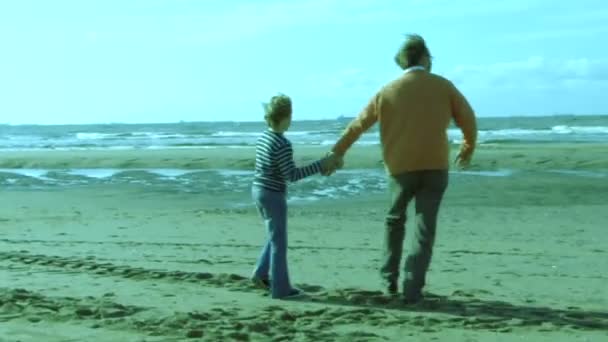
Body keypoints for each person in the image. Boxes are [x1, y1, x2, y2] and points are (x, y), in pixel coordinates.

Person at [327, 34, 477, 304]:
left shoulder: (387, 91)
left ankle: (389, 282)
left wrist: (337, 152)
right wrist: (467, 148)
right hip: (435, 167)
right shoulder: (443, 86)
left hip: (399, 168)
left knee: (394, 221)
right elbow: (468, 118)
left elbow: (358, 125)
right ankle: (412, 288)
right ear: (424, 57)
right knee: (424, 227)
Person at [251, 93, 340, 299]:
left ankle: (260, 273)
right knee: (279, 244)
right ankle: (281, 289)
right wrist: (321, 164)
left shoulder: (264, 137)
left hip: (258, 190)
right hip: (273, 195)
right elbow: (292, 175)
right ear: (285, 117)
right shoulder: (282, 144)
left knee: (274, 236)